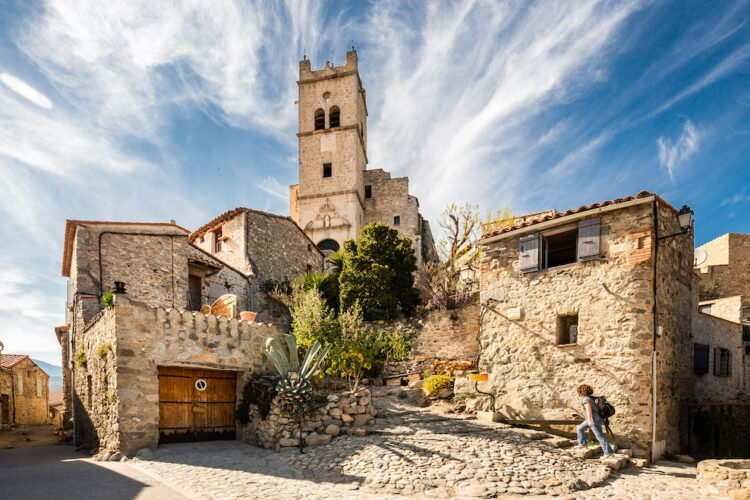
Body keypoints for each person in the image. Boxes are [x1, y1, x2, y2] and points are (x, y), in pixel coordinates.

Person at [575, 384, 614, 456]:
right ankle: (582, 444)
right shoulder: (591, 398)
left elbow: (589, 410)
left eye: (579, 391)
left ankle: (609, 452)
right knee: (580, 428)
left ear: (581, 391)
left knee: (599, 436)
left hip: (594, 420)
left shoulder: (586, 399)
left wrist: (590, 421)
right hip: (598, 419)